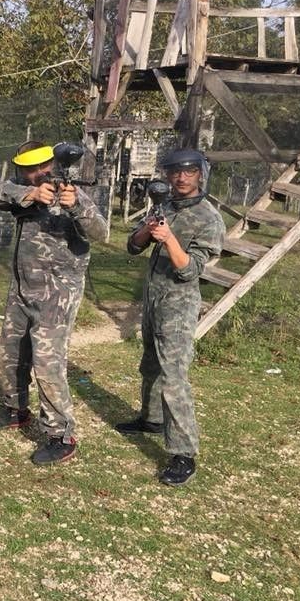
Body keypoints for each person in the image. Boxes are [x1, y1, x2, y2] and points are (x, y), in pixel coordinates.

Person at [0, 141, 108, 465]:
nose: (39, 173)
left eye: (43, 166)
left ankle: (61, 436)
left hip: (58, 294)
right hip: (22, 287)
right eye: (30, 169)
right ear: (22, 170)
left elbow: (102, 232)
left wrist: (75, 206)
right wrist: (30, 194)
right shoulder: (23, 191)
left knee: (47, 364)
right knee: (10, 353)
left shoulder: (73, 194)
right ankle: (16, 409)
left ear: (53, 164)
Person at [118, 148, 225, 486]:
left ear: (200, 174)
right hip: (153, 299)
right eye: (175, 171)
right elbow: (133, 246)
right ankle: (151, 419)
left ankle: (184, 453)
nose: (181, 177)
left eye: (188, 171)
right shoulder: (163, 206)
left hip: (178, 306)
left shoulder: (209, 218)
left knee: (173, 377)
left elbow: (190, 270)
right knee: (150, 363)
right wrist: (148, 230)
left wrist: (169, 239)